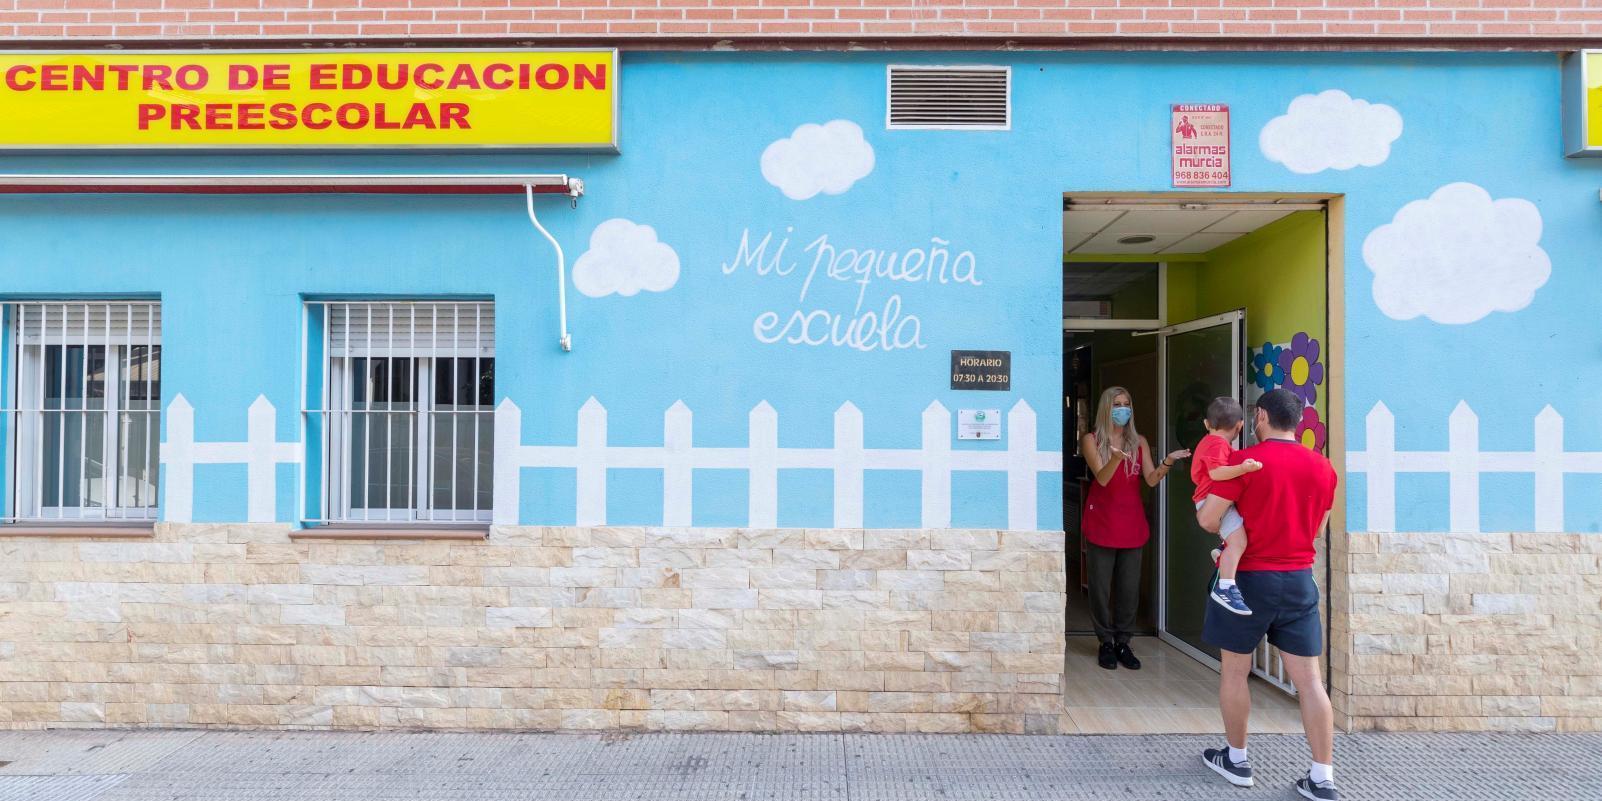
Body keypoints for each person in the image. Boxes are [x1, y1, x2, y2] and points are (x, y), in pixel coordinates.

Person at [1195, 389, 1340, 801]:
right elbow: (1315, 532)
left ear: (1260, 416)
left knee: (1235, 673)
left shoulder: (1245, 462)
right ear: (1296, 421)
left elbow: (1208, 518)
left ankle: (1237, 761)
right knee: (1311, 683)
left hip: (1248, 581)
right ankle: (1322, 778)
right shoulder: (1324, 468)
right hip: (1298, 580)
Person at [1080, 386, 1190, 671]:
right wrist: (1115, 459)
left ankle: (1123, 642)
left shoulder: (1138, 441)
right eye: (1117, 404)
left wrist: (1168, 461)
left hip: (1132, 523)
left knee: (1129, 589)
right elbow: (1102, 479)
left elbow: (1151, 480)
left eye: (1127, 403)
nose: (1122, 408)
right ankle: (1104, 641)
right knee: (1101, 588)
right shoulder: (1091, 440)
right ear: (1107, 408)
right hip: (1102, 522)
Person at [1191, 396, 1262, 615]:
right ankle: (1226, 587)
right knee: (1239, 542)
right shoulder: (1217, 444)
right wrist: (1244, 468)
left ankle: (1223, 553)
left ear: (1206, 423)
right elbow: (1216, 473)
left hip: (1211, 499)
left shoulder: (1208, 441)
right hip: (1210, 499)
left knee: (1235, 540)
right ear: (1240, 425)